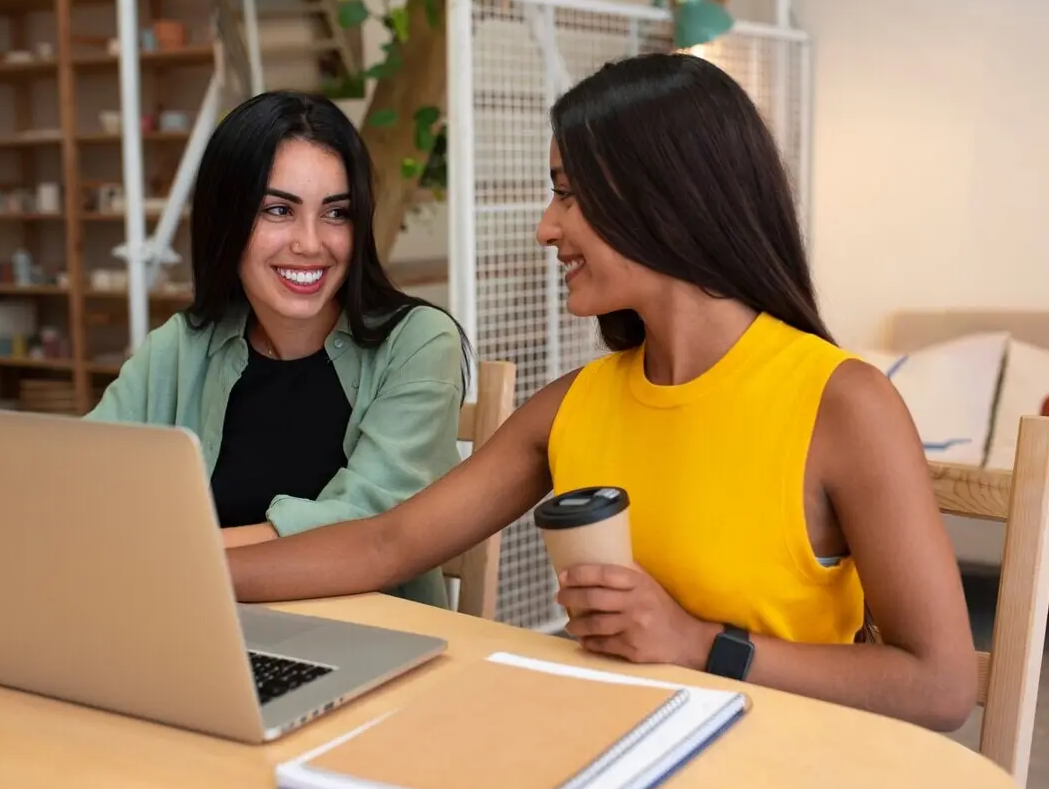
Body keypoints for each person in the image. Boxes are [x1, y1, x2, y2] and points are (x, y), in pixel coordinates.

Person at [220, 54, 979, 731]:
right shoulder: (571, 407)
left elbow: (941, 686)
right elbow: (388, 544)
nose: (546, 228)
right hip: (621, 755)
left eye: (568, 195)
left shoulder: (842, 404)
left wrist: (698, 646)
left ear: (667, 198)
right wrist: (180, 568)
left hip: (787, 780)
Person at [87, 90, 469, 609]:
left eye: (336, 213)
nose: (310, 243)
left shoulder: (419, 342)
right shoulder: (182, 345)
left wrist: (173, 556)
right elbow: (84, 479)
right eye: (278, 210)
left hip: (381, 643)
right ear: (227, 219)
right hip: (203, 629)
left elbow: (368, 523)